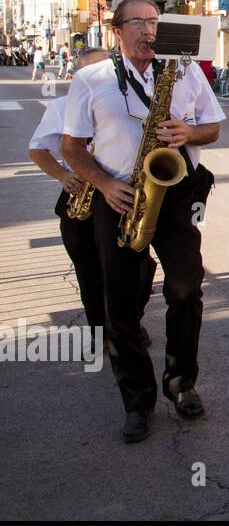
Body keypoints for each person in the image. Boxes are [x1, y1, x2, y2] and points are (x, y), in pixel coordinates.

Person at [61, 0, 224, 443]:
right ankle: (137, 399)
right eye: (140, 22)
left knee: (186, 290)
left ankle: (181, 381)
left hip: (175, 195)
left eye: (155, 21)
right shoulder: (92, 78)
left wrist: (188, 132)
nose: (150, 30)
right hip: (119, 197)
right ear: (117, 31)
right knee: (120, 309)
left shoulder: (184, 70)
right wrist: (103, 185)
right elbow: (72, 147)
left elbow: (213, 127)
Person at [27, 48, 147, 340]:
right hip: (81, 194)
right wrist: (63, 175)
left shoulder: (128, 99)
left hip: (121, 190)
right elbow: (37, 148)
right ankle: (99, 328)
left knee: (140, 265)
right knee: (90, 268)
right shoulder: (61, 106)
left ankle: (128, 321)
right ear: (79, 76)